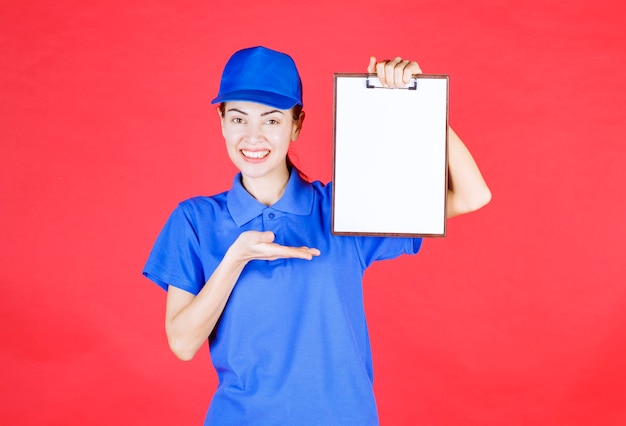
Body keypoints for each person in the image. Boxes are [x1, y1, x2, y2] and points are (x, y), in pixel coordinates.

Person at [143, 46, 491, 425]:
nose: (253, 136)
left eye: (272, 121)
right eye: (239, 118)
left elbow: (473, 195)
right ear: (221, 121)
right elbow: (182, 343)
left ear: (297, 124)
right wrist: (236, 258)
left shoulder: (344, 207)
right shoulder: (194, 220)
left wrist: (421, 100)